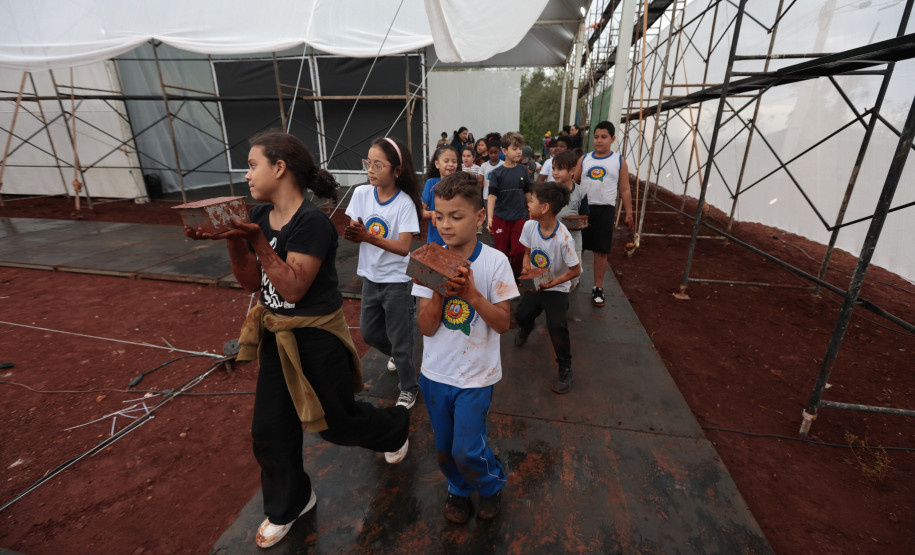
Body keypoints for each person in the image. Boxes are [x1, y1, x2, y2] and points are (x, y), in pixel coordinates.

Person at [184, 130, 410, 549]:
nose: (247, 174)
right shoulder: (259, 215)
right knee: (269, 430)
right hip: (277, 336)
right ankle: (292, 501)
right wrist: (234, 241)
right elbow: (253, 282)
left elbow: (292, 289)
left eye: (253, 165)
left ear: (279, 168)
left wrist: (256, 240)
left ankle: (395, 429)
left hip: (317, 340)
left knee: (338, 424)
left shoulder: (312, 223)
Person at [412, 171, 519, 524]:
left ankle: (490, 485)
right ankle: (457, 489)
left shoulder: (495, 262)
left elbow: (503, 323)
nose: (445, 225)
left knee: (467, 448)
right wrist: (439, 289)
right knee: (445, 449)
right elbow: (426, 327)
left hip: (476, 375)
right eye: (439, 216)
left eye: (456, 216)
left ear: (480, 217)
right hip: (435, 374)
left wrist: (472, 295)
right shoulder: (428, 260)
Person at [343, 137, 423, 409]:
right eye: (368, 162)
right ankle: (401, 356)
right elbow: (356, 227)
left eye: (378, 165)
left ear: (397, 170)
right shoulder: (361, 194)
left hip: (398, 283)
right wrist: (357, 233)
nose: (370, 169)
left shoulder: (404, 204)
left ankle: (409, 387)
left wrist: (367, 236)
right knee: (369, 333)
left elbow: (403, 247)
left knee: (401, 339)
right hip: (371, 278)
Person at [514, 181, 581, 393]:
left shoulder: (564, 239)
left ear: (544, 208)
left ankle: (566, 368)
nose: (528, 203)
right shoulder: (529, 226)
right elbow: (527, 252)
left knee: (556, 327)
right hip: (536, 283)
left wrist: (552, 283)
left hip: (556, 288)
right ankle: (527, 327)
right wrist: (526, 267)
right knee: (521, 316)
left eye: (532, 200)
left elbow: (575, 270)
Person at [573, 120, 634, 307]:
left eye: (604, 137)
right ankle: (572, 279)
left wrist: (629, 213)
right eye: (596, 137)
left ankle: (597, 287)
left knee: (601, 250)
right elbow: (574, 182)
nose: (599, 141)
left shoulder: (619, 161)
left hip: (605, 210)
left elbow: (624, 188)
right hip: (583, 210)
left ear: (613, 139)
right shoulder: (584, 159)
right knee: (578, 247)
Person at [487, 131, 530, 276]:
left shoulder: (523, 170)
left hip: (519, 218)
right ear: (504, 151)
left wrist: (532, 211)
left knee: (519, 251)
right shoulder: (497, 173)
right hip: (501, 218)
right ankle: (503, 276)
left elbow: (527, 193)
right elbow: (491, 196)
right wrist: (490, 217)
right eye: (515, 148)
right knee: (501, 253)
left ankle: (516, 275)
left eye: (520, 148)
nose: (519, 152)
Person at [552, 150, 589, 289]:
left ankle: (572, 286)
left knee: (574, 267)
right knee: (554, 265)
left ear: (572, 171)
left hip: (574, 238)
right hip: (553, 236)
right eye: (554, 168)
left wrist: (579, 222)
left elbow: (585, 214)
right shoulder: (549, 191)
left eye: (560, 169)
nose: (555, 172)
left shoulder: (581, 192)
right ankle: (557, 291)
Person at [421, 145, 459, 246]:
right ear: (437, 164)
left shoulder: (461, 185)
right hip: (435, 241)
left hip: (457, 241)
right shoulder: (431, 184)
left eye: (454, 161)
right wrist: (431, 214)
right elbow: (420, 211)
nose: (450, 164)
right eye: (446, 161)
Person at [479, 134, 503, 214]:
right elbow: (480, 183)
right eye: (491, 153)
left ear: (500, 151)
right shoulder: (484, 165)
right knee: (489, 216)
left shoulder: (503, 165)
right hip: (487, 197)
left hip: (501, 197)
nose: (493, 155)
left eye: (495, 152)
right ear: (487, 152)